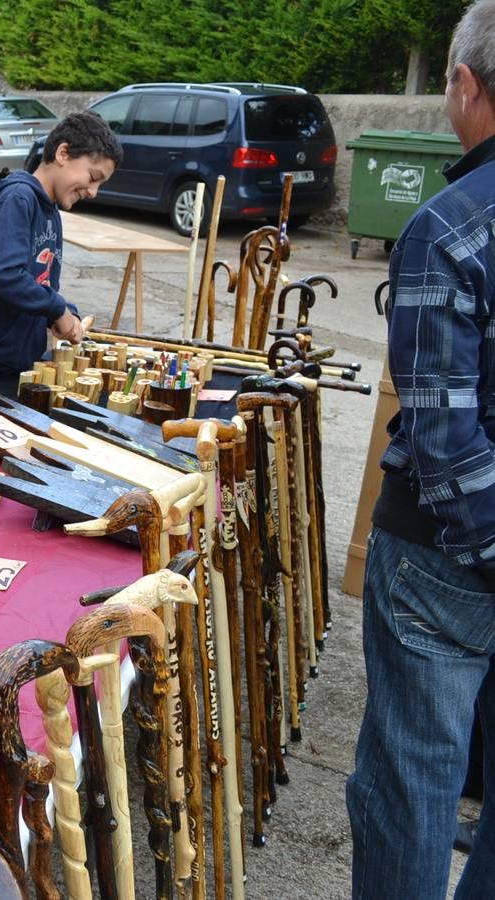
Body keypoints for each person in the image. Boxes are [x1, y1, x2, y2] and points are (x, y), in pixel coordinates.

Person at [346, 2, 495, 897]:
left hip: (450, 559)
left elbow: (443, 437)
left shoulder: (451, 224)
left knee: (413, 786)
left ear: (467, 85)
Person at [0, 110, 121, 412]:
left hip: (1, 359)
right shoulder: (17, 198)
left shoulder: (50, 212)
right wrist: (55, 309)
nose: (94, 192)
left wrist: (62, 314)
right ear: (63, 153)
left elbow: (38, 285)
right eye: (93, 177)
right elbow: (0, 275)